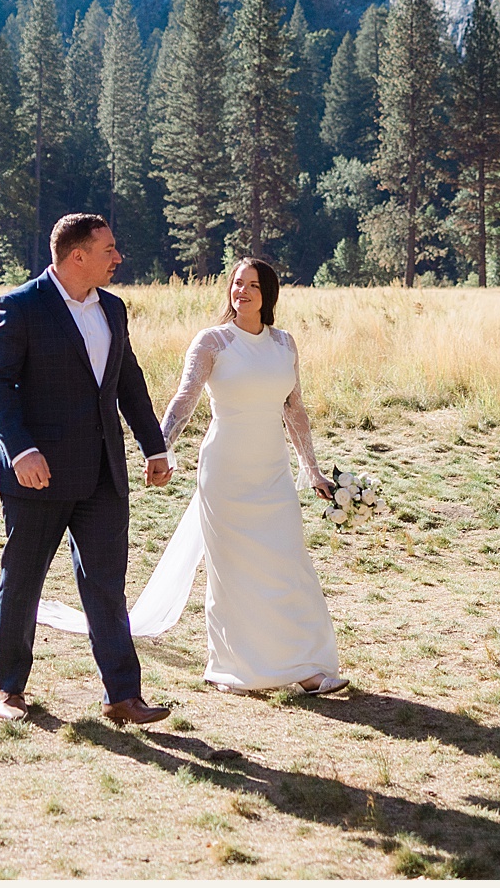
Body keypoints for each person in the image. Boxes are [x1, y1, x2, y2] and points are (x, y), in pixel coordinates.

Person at [0, 212, 173, 726]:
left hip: (104, 473)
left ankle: (122, 696)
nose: (118, 258)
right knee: (23, 582)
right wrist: (20, 451)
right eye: (109, 249)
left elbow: (128, 381)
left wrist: (155, 447)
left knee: (107, 584)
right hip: (35, 475)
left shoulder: (113, 309)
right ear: (77, 255)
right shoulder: (18, 307)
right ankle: (11, 690)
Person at [156, 256, 346, 695]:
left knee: (289, 564)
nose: (242, 291)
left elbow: (294, 408)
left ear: (268, 295)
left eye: (252, 285)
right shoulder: (212, 342)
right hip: (225, 471)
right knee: (234, 572)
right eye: (237, 284)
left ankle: (307, 666)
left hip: (272, 470)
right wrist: (160, 448)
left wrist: (311, 468)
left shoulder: (284, 345)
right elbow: (184, 400)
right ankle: (235, 669)